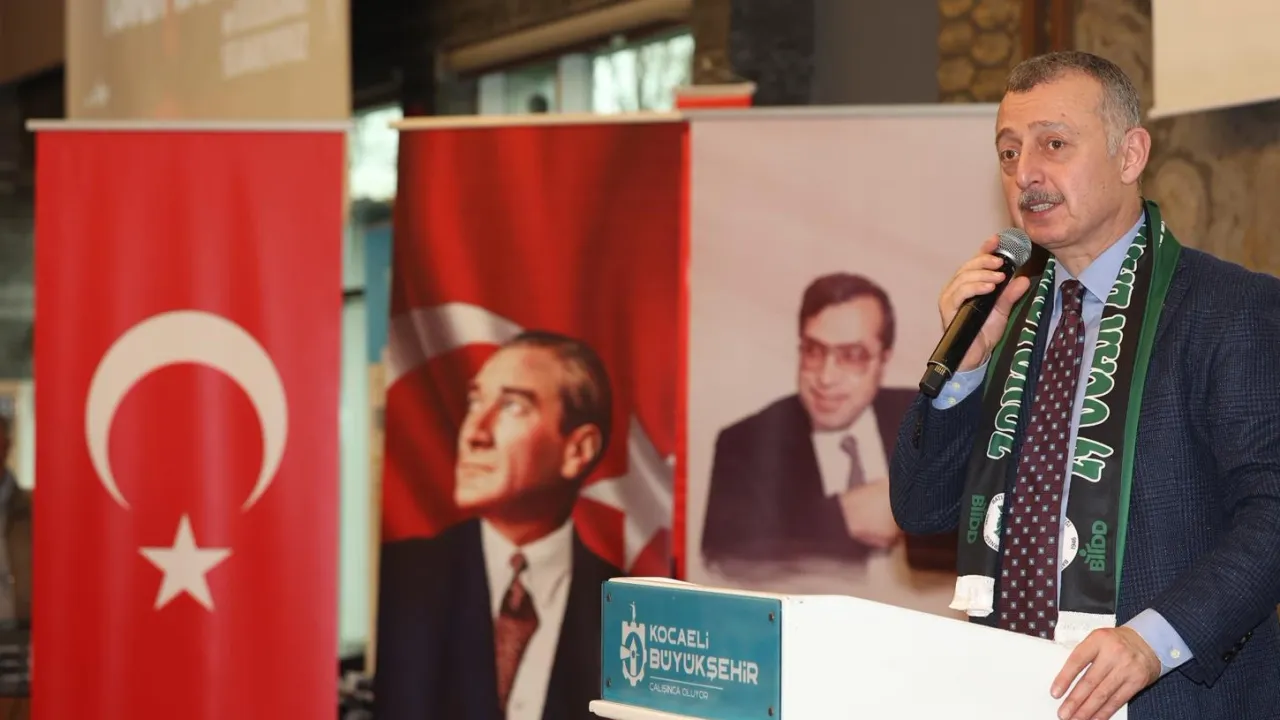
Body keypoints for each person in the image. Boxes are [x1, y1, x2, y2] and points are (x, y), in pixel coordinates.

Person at [889, 50, 1280, 720]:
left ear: (1131, 156)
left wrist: (1153, 641)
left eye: (1054, 144)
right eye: (1008, 152)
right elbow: (920, 511)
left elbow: (1272, 510)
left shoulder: (1228, 309)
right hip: (1009, 692)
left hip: (1171, 698)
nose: (1025, 174)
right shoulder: (1002, 318)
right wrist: (966, 367)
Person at [374, 330, 624, 720]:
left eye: (512, 406)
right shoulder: (395, 580)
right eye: (475, 401)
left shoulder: (629, 615)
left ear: (578, 450)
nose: (474, 433)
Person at [701, 273, 932, 566]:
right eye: (813, 351)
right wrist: (842, 517)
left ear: (884, 360)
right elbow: (724, 559)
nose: (826, 377)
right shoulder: (745, 444)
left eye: (852, 355)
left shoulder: (926, 417)